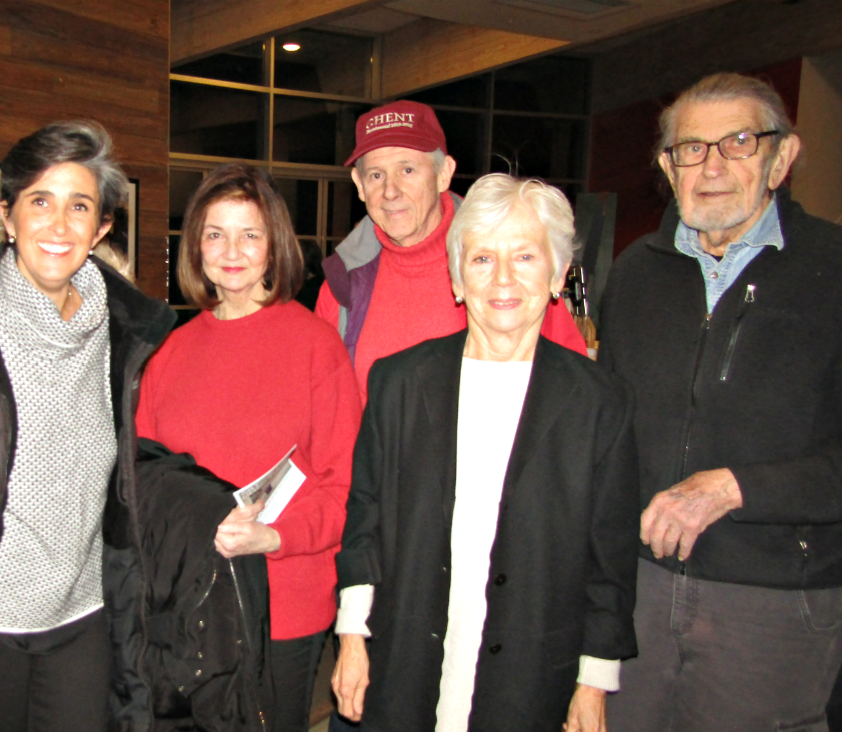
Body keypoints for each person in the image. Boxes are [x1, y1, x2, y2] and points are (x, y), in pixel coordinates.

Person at [0, 121, 182, 732]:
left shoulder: (125, 333)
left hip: (83, 619)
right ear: (7, 215)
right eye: (39, 202)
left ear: (102, 226)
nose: (58, 226)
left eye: (78, 206)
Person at [331, 174, 639, 732]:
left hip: (532, 671)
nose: (502, 279)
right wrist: (352, 635)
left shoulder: (598, 401)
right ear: (456, 276)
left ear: (557, 275)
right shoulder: (399, 381)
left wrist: (594, 682)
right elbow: (366, 517)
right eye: (481, 259)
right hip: (405, 657)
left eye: (524, 255)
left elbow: (609, 556)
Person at [599, 72, 842, 732]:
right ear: (666, 166)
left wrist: (735, 488)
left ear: (781, 157)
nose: (711, 167)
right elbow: (607, 432)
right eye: (691, 149)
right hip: (641, 591)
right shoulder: (634, 274)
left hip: (772, 602)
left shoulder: (833, 270)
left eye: (737, 143)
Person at [136, 163, 363, 732]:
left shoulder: (317, 346)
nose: (231, 250)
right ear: (196, 247)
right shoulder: (170, 353)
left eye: (250, 234)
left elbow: (346, 487)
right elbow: (144, 480)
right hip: (190, 607)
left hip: (282, 605)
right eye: (215, 234)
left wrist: (274, 537)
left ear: (275, 246)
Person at [317, 100, 588, 403]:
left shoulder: (506, 271)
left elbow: (574, 388)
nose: (390, 191)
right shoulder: (342, 286)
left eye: (407, 170)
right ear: (360, 185)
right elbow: (329, 412)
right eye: (376, 175)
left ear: (443, 174)